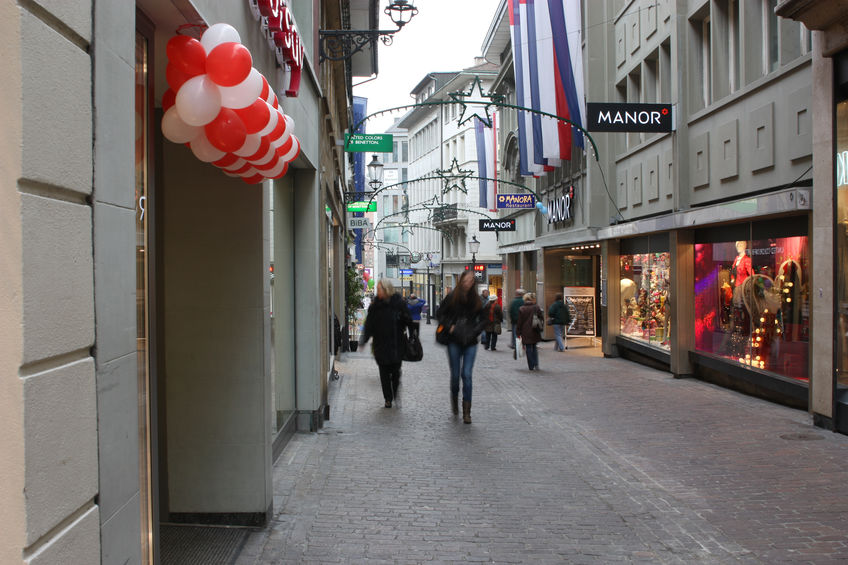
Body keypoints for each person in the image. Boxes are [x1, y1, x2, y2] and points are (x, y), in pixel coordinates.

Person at [437, 270, 485, 424]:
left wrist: (475, 331)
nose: (469, 282)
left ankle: (467, 412)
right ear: (461, 280)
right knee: (455, 376)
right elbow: (440, 313)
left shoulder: (476, 299)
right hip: (454, 340)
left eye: (472, 280)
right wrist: (450, 326)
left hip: (470, 341)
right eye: (467, 279)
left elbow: (484, 320)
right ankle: (454, 400)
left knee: (467, 375)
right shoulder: (452, 297)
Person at [360, 279, 413, 408]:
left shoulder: (399, 303)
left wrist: (405, 320)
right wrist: (364, 340)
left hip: (396, 343)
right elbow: (369, 325)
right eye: (377, 290)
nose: (378, 292)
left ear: (387, 290)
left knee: (395, 372)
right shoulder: (375, 306)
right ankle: (388, 398)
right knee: (383, 372)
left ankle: (395, 391)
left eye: (380, 290)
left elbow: (408, 320)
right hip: (380, 344)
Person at [517, 292, 544, 371]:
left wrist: (518, 332)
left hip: (525, 331)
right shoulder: (536, 307)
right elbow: (541, 318)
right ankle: (536, 364)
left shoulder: (522, 308)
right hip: (535, 329)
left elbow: (519, 322)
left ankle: (531, 365)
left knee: (528, 347)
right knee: (534, 347)